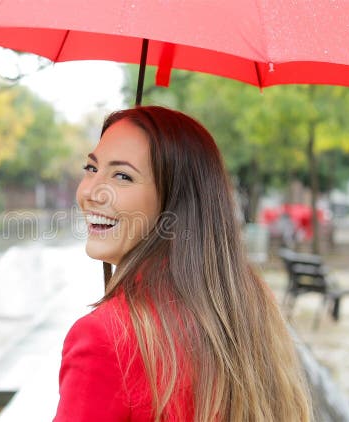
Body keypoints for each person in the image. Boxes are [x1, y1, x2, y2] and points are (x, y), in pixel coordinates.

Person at [54, 106, 311, 421]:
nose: (91, 192)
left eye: (122, 176)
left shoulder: (105, 340)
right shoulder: (249, 304)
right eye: (91, 168)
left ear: (176, 203)